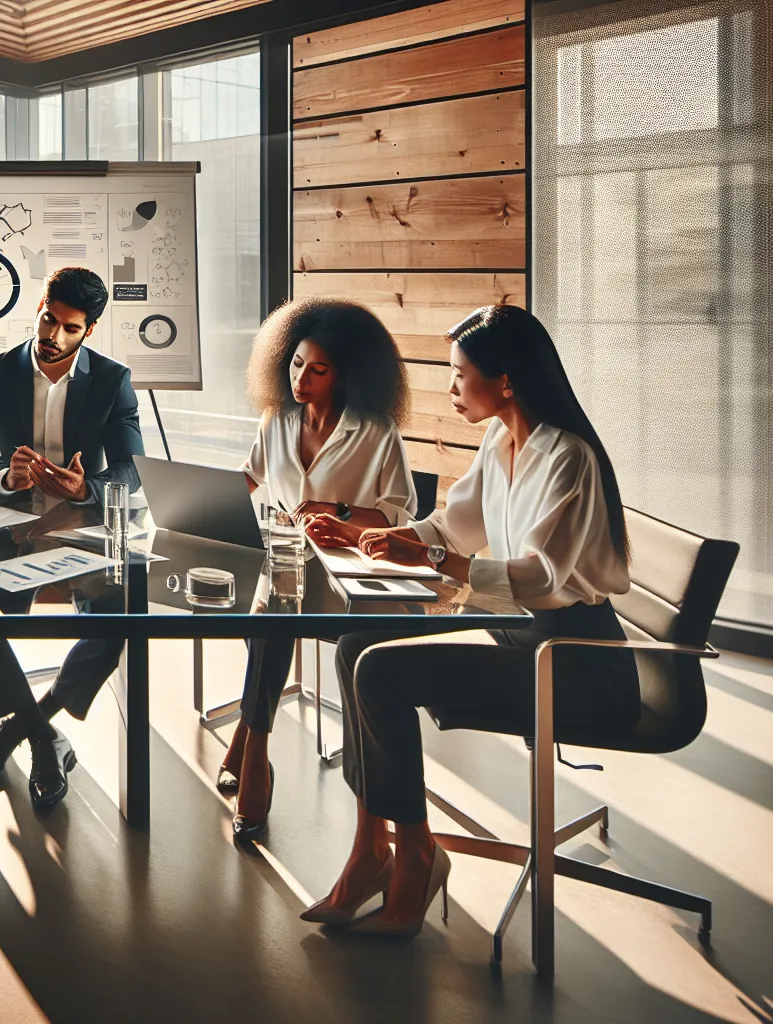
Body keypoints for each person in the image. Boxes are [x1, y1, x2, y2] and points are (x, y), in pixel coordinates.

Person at [301, 305, 637, 938]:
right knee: (356, 645)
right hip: (518, 633)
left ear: (505, 380)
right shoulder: (500, 440)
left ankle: (416, 855)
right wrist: (366, 531)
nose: (450, 389)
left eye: (459, 375)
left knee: (381, 673)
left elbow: (543, 577)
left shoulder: (567, 457)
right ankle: (371, 848)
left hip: (576, 663)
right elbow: (452, 528)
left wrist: (429, 558)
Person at [0, 266, 144, 813]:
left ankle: (25, 728)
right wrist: (5, 477)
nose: (54, 336)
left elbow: (131, 471)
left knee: (124, 610)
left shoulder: (112, 380)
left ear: (90, 331)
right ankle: (40, 737)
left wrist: (87, 488)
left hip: (81, 530)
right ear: (39, 307)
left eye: (70, 328)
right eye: (48, 319)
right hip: (11, 526)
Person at [217, 299, 415, 844]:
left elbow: (401, 514)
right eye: (297, 364)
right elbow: (249, 479)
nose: (301, 378)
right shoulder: (277, 422)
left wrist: (340, 512)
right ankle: (256, 748)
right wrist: (200, 499)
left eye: (318, 370)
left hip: (353, 582)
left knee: (269, 624)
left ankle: (248, 747)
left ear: (347, 375)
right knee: (271, 617)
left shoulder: (375, 433)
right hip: (287, 569)